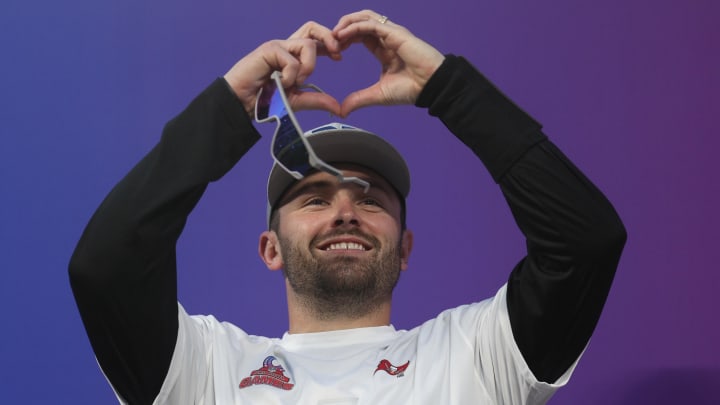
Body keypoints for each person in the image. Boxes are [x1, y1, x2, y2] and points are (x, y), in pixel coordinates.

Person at [69, 9, 626, 405]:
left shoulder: (475, 354)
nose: (345, 211)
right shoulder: (206, 369)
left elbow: (585, 242)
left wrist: (449, 90)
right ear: (270, 248)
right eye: (314, 197)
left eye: (371, 198)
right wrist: (228, 112)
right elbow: (107, 266)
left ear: (405, 248)